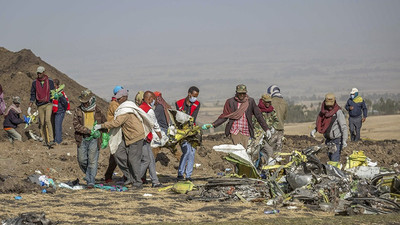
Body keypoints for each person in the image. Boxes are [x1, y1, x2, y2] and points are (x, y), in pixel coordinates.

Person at [95, 89, 153, 189]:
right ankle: (129, 176)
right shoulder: (122, 108)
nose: (118, 100)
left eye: (119, 98)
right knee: (118, 153)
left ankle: (137, 182)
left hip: (135, 136)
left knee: (133, 160)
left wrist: (101, 126)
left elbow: (116, 122)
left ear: (125, 97)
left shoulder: (126, 110)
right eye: (117, 98)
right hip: (126, 136)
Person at [203, 84, 271, 149]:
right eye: (240, 93)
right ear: (236, 93)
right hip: (234, 130)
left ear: (246, 93)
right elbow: (225, 116)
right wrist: (213, 124)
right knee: (238, 150)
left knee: (245, 151)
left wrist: (266, 129)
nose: (242, 95)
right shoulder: (230, 102)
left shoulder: (250, 101)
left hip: (246, 130)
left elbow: (258, 115)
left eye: (243, 93)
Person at [73, 89, 106, 188]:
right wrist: (88, 131)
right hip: (82, 138)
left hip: (94, 140)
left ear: (91, 100)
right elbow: (76, 124)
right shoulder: (78, 110)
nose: (85, 104)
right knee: (82, 160)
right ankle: (88, 175)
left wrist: (103, 135)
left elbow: (104, 123)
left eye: (86, 102)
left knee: (92, 160)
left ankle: (91, 181)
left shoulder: (98, 110)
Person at [310, 93, 348, 162]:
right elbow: (321, 124)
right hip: (328, 141)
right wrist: (314, 130)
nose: (329, 107)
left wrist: (344, 140)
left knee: (334, 161)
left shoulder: (338, 112)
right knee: (330, 159)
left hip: (336, 140)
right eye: (328, 105)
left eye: (331, 105)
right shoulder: (323, 112)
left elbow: (344, 127)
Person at [175, 86, 201, 181]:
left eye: (196, 96)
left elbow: (193, 118)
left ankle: (188, 175)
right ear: (189, 94)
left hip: (192, 130)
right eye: (194, 95)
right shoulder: (179, 103)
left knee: (192, 152)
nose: (195, 98)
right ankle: (180, 173)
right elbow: (179, 117)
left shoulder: (197, 104)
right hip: (182, 131)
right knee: (186, 151)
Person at [139, 91, 162, 187]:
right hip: (144, 138)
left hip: (141, 137)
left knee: (151, 159)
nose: (153, 101)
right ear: (149, 99)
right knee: (146, 160)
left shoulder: (139, 108)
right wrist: (160, 136)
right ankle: (136, 179)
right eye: (153, 99)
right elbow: (155, 124)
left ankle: (155, 181)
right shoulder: (149, 110)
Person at [28, 66, 55, 146]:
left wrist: (54, 96)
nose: (39, 74)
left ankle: (51, 139)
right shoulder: (34, 82)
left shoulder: (49, 81)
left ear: (44, 72)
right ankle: (44, 139)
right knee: (42, 123)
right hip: (40, 104)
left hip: (48, 103)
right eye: (38, 73)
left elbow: (52, 92)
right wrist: (31, 101)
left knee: (47, 120)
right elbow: (33, 93)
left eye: (40, 73)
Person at [104, 85, 124, 183]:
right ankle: (108, 176)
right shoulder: (114, 104)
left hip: (118, 131)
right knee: (115, 155)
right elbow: (119, 116)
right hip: (114, 132)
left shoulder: (117, 103)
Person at [254, 94, 280, 164]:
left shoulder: (272, 110)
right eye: (266, 102)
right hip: (259, 136)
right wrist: (257, 133)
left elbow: (276, 120)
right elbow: (253, 123)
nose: (268, 103)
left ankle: (266, 164)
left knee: (271, 151)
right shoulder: (257, 110)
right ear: (262, 101)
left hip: (270, 136)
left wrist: (273, 127)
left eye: (269, 102)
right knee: (256, 152)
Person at [266, 85, 288, 152]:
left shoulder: (270, 102)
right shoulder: (285, 102)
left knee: (269, 150)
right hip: (281, 129)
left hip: (271, 129)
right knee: (278, 151)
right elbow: (285, 117)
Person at [52, 79, 71, 144]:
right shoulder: (53, 92)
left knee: (57, 126)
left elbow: (65, 102)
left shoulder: (60, 93)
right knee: (55, 125)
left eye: (53, 84)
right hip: (56, 111)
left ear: (57, 85)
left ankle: (58, 141)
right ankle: (55, 139)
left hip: (60, 111)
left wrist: (64, 109)